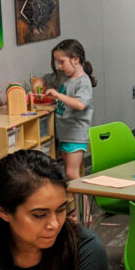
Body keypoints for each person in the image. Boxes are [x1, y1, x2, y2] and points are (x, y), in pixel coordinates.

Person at [44, 39, 96, 185]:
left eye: (61, 62)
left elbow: (79, 104)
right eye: (57, 62)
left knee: (71, 174)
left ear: (75, 60)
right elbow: (45, 79)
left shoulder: (83, 82)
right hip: (64, 133)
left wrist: (57, 95)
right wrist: (37, 83)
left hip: (76, 134)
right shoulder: (64, 77)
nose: (59, 66)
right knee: (69, 175)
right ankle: (78, 208)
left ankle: (85, 207)